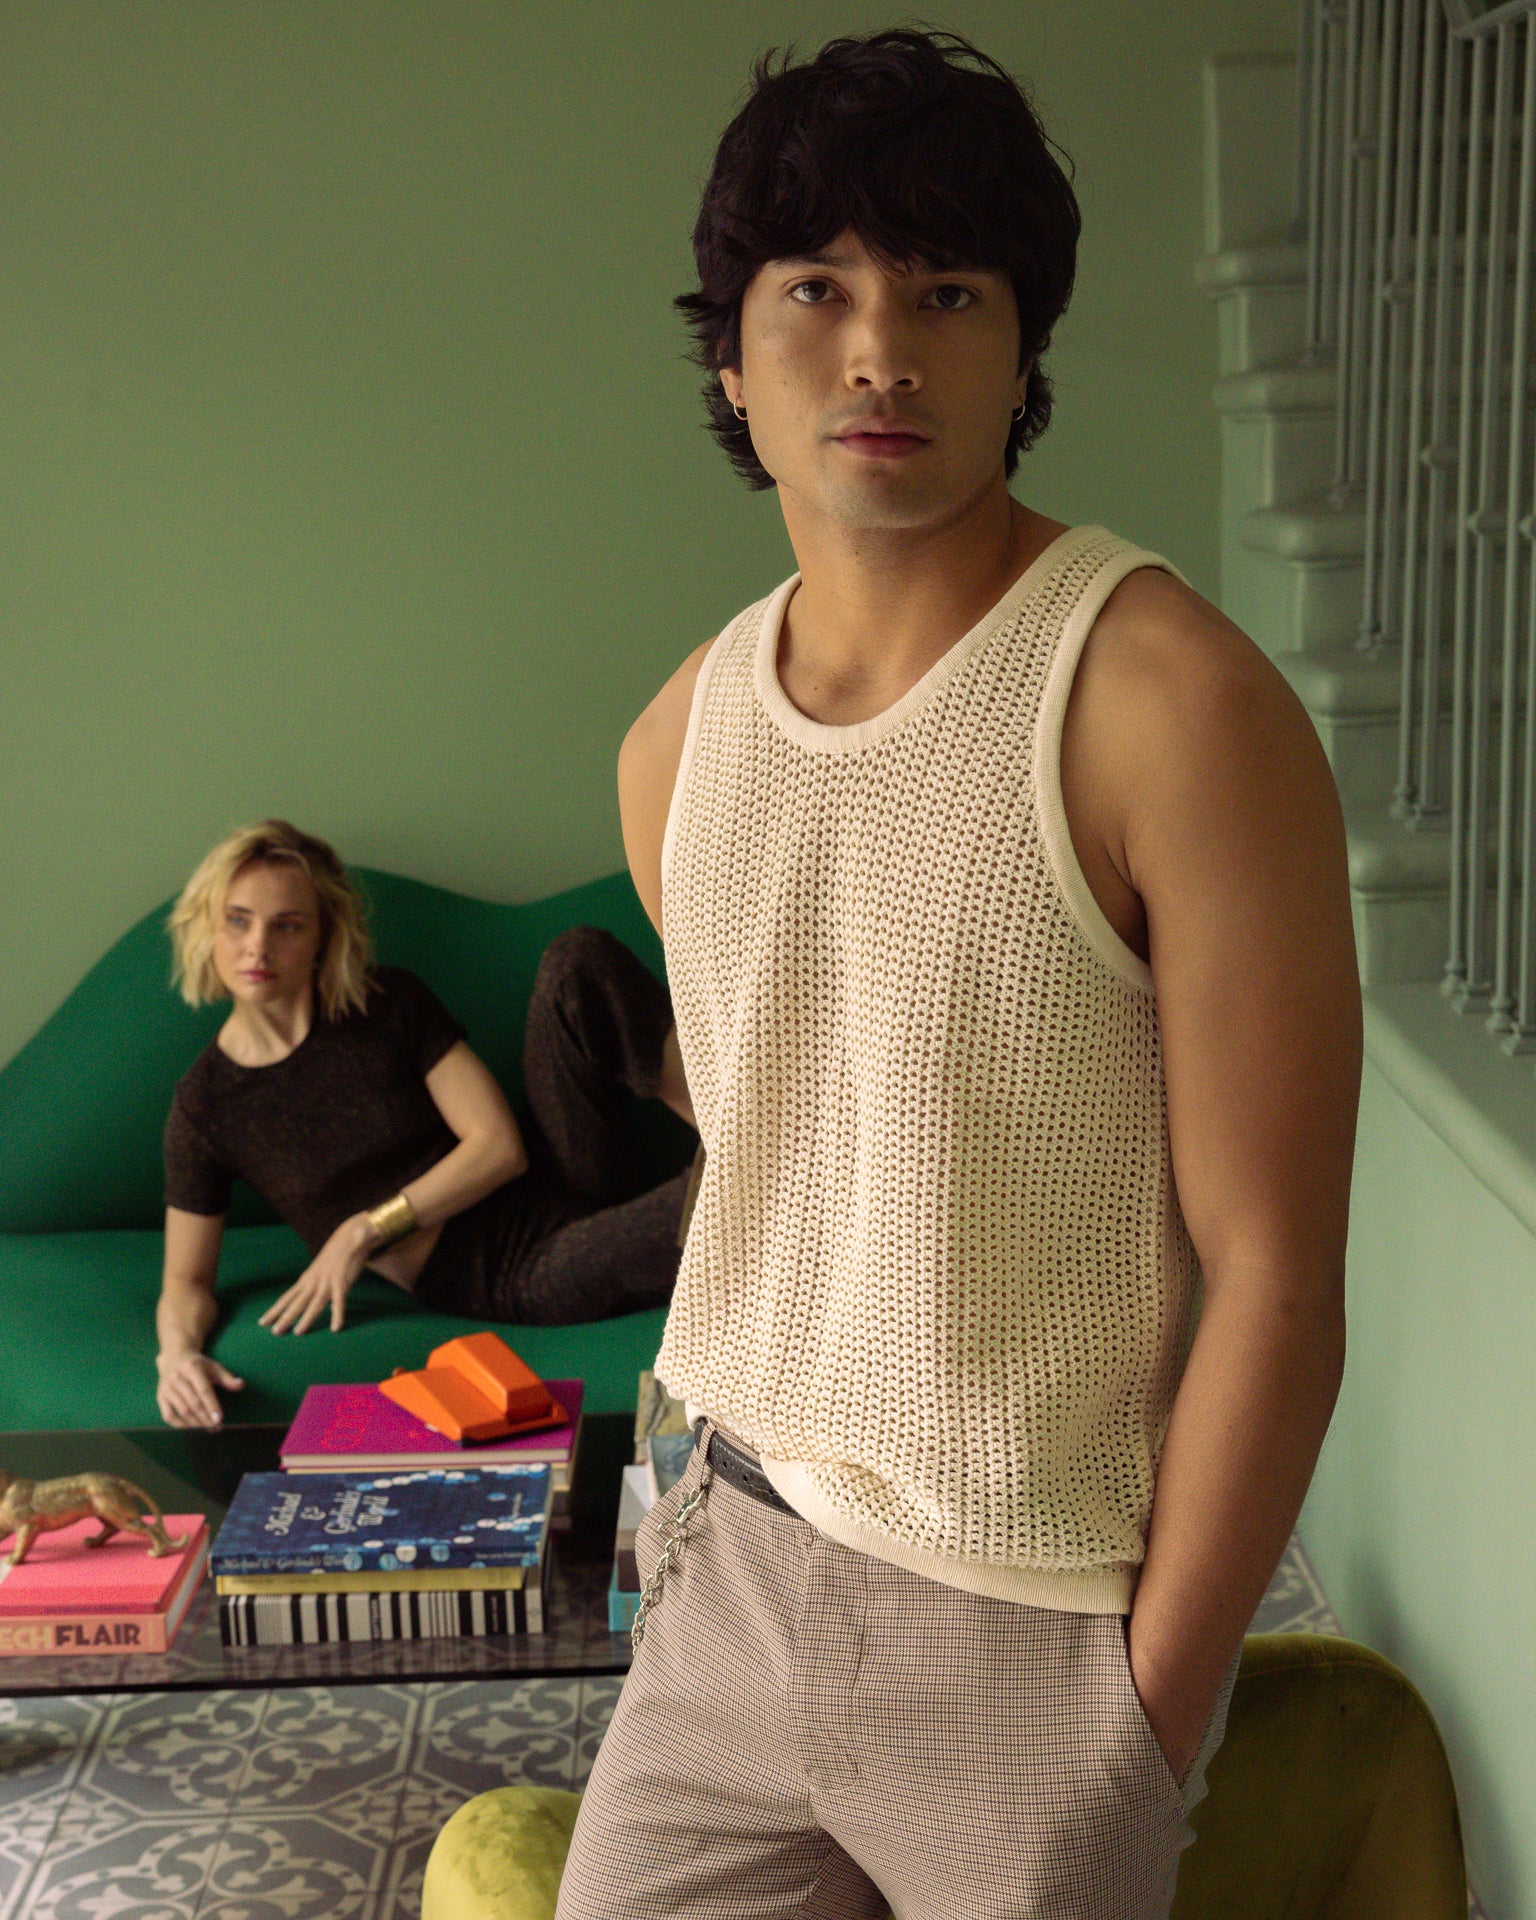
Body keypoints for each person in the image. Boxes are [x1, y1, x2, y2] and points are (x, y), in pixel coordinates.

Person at [558, 27, 1361, 1920]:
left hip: (1037, 1635)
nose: (878, 350)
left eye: (944, 291)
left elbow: (1277, 1277)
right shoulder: (674, 742)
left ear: (1022, 351)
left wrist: (1142, 1726)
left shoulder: (1168, 704)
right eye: (814, 289)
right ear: (730, 358)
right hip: (729, 1572)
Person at [154, 819, 695, 1431]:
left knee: (576, 958)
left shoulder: (386, 1003)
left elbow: (498, 1148)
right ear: (207, 925)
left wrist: (363, 1229)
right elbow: (186, 1279)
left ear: (322, 935)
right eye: (238, 919)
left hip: (557, 1175)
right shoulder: (206, 1105)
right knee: (732, 1207)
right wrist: (177, 1355)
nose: (257, 947)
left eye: (287, 925)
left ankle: (730, 1135)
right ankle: (767, 1166)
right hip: (515, 1274)